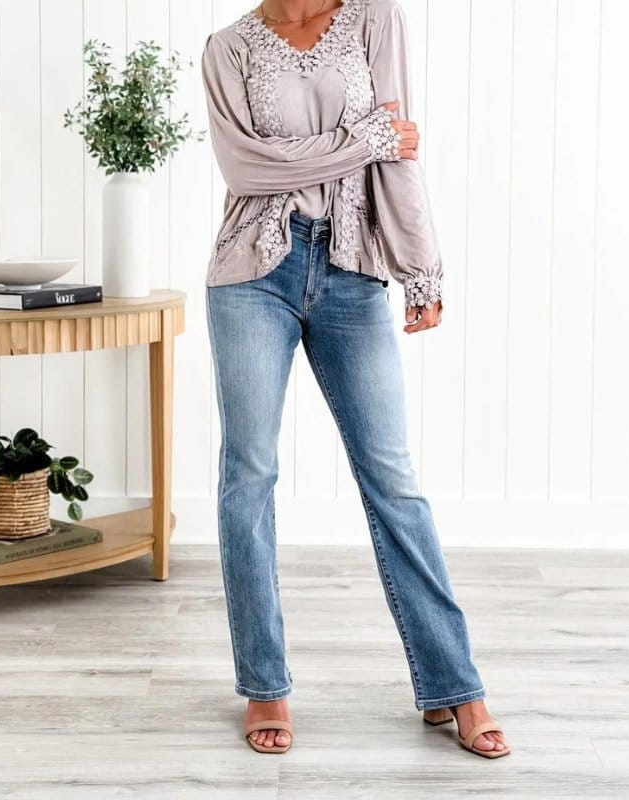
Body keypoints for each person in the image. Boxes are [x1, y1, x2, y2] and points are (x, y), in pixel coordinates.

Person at [201, 0, 511, 759]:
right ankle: (264, 683)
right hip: (252, 275)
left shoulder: (375, 21)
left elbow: (398, 160)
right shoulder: (228, 48)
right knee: (248, 474)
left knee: (393, 479)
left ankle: (455, 685)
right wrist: (365, 138)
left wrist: (420, 266)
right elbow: (245, 169)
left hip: (352, 269)